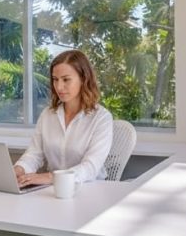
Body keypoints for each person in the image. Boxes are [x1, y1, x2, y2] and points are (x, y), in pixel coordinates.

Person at [14, 49, 114, 187]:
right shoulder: (47, 115)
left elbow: (90, 167)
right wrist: (18, 170)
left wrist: (51, 177)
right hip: (53, 190)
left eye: (66, 79)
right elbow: (34, 154)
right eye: (55, 80)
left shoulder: (102, 118)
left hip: (89, 189)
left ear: (83, 79)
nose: (59, 87)